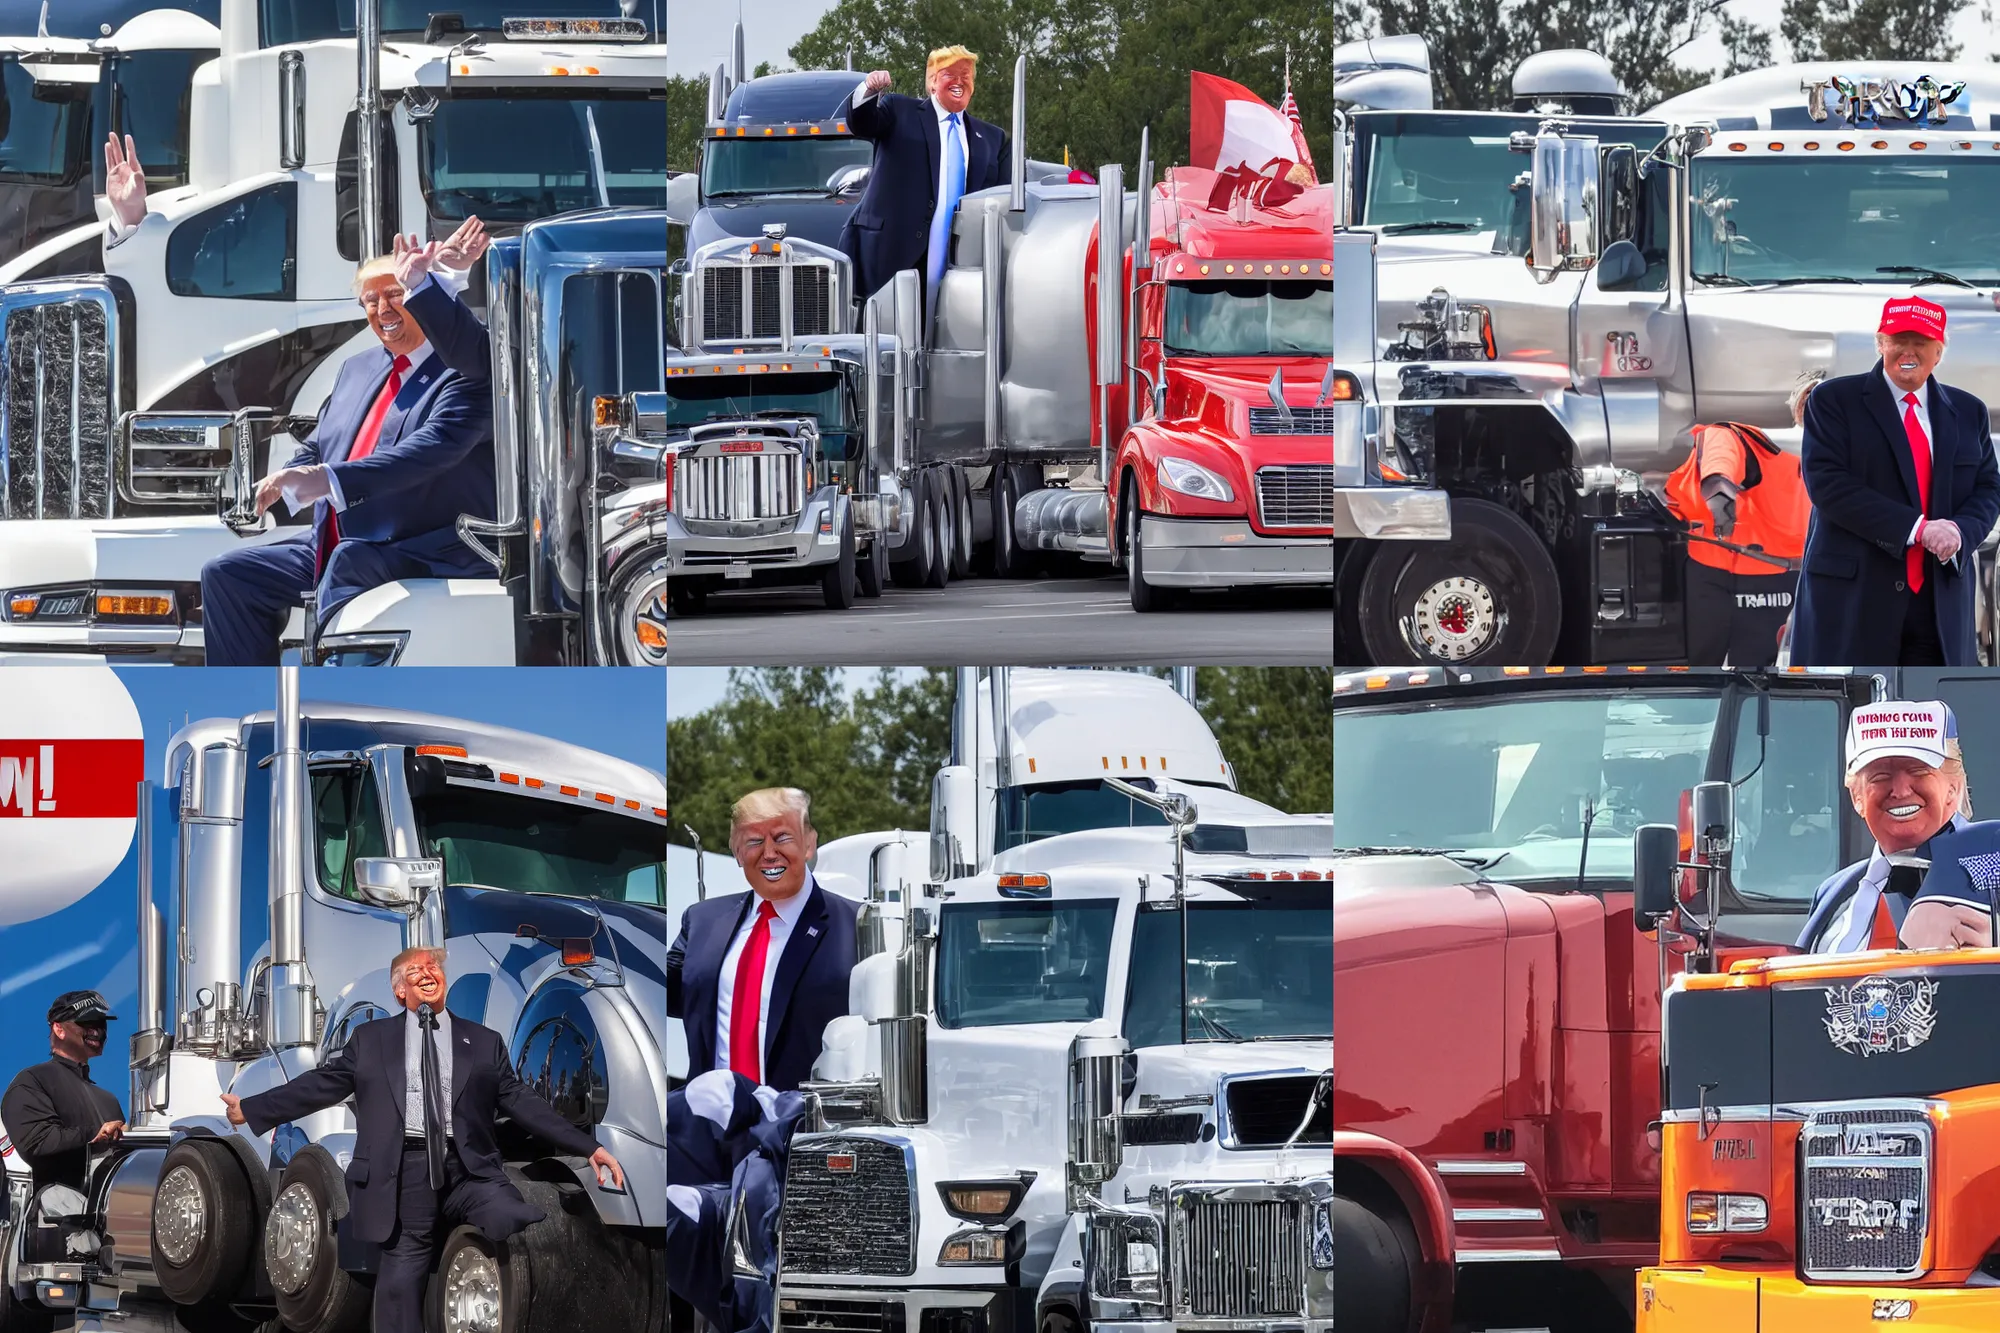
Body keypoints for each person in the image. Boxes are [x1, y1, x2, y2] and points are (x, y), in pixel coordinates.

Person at [222, 947, 624, 1333]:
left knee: (509, 1214)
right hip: (405, 1171)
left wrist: (589, 1147)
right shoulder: (370, 1041)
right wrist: (253, 1109)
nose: (429, 974)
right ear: (400, 990)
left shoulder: (483, 1043)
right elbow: (319, 1086)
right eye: (417, 971)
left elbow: (523, 1103)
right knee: (400, 1284)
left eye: (435, 968)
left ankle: (501, 1225)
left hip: (468, 1170)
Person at [197, 252, 497, 665]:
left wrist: (327, 480)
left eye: (394, 293)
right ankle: (246, 706)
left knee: (346, 563)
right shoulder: (358, 368)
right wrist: (276, 490)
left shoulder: (467, 370)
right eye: (370, 300)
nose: (382, 309)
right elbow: (321, 446)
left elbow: (432, 449)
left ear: (420, 296)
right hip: (347, 536)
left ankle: (327, 704)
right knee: (227, 576)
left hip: (426, 543)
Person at [1790, 296, 2000, 666]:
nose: (1908, 351)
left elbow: (1988, 488)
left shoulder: (1969, 412)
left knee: (1937, 717)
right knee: (1848, 717)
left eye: (1920, 343)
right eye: (1898, 341)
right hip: (1854, 604)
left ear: (1939, 351)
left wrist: (1959, 532)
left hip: (1939, 608)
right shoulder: (1834, 400)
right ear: (1880, 344)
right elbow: (1828, 484)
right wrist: (1917, 529)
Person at [667, 787, 859, 1094]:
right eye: (754, 841)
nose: (769, 853)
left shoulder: (857, 927)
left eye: (782, 837)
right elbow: (661, 990)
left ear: (809, 844)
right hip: (710, 1131)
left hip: (805, 1131)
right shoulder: (702, 921)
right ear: (737, 852)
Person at [838, 45, 1012, 310]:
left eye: (966, 75)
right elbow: (861, 122)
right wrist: (869, 90)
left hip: (961, 267)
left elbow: (1003, 198)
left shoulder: (992, 139)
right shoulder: (900, 111)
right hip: (895, 259)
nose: (959, 81)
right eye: (950, 75)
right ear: (932, 82)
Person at [1796, 701, 1977, 953]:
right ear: (1857, 797)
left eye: (1918, 771)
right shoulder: (1833, 892)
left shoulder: (1991, 875)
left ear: (1953, 787)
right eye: (1880, 776)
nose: (1900, 791)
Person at [1667, 377, 1815, 667]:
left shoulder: (1833, 446)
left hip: (1764, 574)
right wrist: (1718, 485)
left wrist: (1718, 488)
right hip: (1736, 569)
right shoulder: (1754, 438)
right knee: (1726, 663)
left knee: (1739, 664)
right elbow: (1721, 452)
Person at [0, 992, 126, 1196]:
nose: (98, 1030)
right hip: (56, 1221)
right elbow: (36, 1142)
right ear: (58, 1029)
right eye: (87, 1022)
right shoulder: (33, 1080)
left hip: (111, 1220)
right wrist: (96, 1133)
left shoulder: (109, 1100)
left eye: (102, 1024)